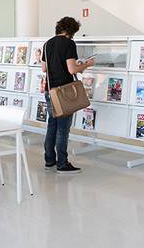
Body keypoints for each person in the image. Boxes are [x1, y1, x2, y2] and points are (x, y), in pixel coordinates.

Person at [41, 16, 95, 174]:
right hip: (64, 91)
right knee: (63, 129)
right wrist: (86, 64)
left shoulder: (47, 43)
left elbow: (44, 69)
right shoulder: (69, 43)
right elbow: (71, 70)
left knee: (52, 125)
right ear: (71, 31)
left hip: (50, 91)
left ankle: (49, 160)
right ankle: (62, 164)